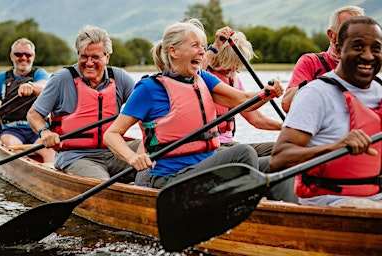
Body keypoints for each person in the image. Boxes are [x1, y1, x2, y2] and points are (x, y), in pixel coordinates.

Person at [103, 19, 295, 202]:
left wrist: (266, 94)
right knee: (243, 153)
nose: (202, 52)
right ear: (174, 51)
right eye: (195, 46)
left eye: (203, 46)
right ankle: (239, 211)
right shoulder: (148, 88)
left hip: (206, 169)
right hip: (171, 178)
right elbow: (111, 134)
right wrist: (133, 157)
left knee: (280, 161)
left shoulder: (203, 79)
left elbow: (244, 100)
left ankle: (289, 216)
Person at [270, 16, 382, 208]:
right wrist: (334, 147)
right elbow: (278, 158)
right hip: (330, 202)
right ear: (338, 49)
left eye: (376, 49)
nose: (368, 56)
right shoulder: (315, 94)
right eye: (358, 47)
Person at [27, 25, 145, 184]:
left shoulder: (120, 78)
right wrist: (44, 132)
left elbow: (146, 108)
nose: (89, 63)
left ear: (107, 57)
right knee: (103, 183)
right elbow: (34, 114)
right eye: (84, 56)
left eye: (95, 57)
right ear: (78, 54)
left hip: (114, 151)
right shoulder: (61, 79)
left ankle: (148, 188)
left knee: (159, 151)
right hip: (76, 156)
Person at [0, 38, 55, 162]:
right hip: (12, 130)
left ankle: (51, 172)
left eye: (28, 54)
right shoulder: (2, 78)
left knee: (50, 148)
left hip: (39, 128)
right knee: (9, 145)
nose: (23, 58)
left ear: (33, 56)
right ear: (12, 56)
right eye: (18, 54)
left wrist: (31, 86)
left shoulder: (40, 74)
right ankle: (26, 170)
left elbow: (45, 88)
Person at [202, 31, 282, 157]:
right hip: (211, 148)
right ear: (221, 58)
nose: (234, 69)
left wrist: (285, 126)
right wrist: (216, 46)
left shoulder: (235, 80)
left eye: (238, 64)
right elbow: (193, 71)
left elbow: (257, 119)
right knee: (245, 153)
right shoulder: (203, 76)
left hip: (230, 145)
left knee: (281, 150)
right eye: (231, 63)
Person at [281, 6, 364, 113]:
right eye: (347, 28)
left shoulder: (367, 66)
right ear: (331, 35)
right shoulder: (311, 62)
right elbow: (286, 104)